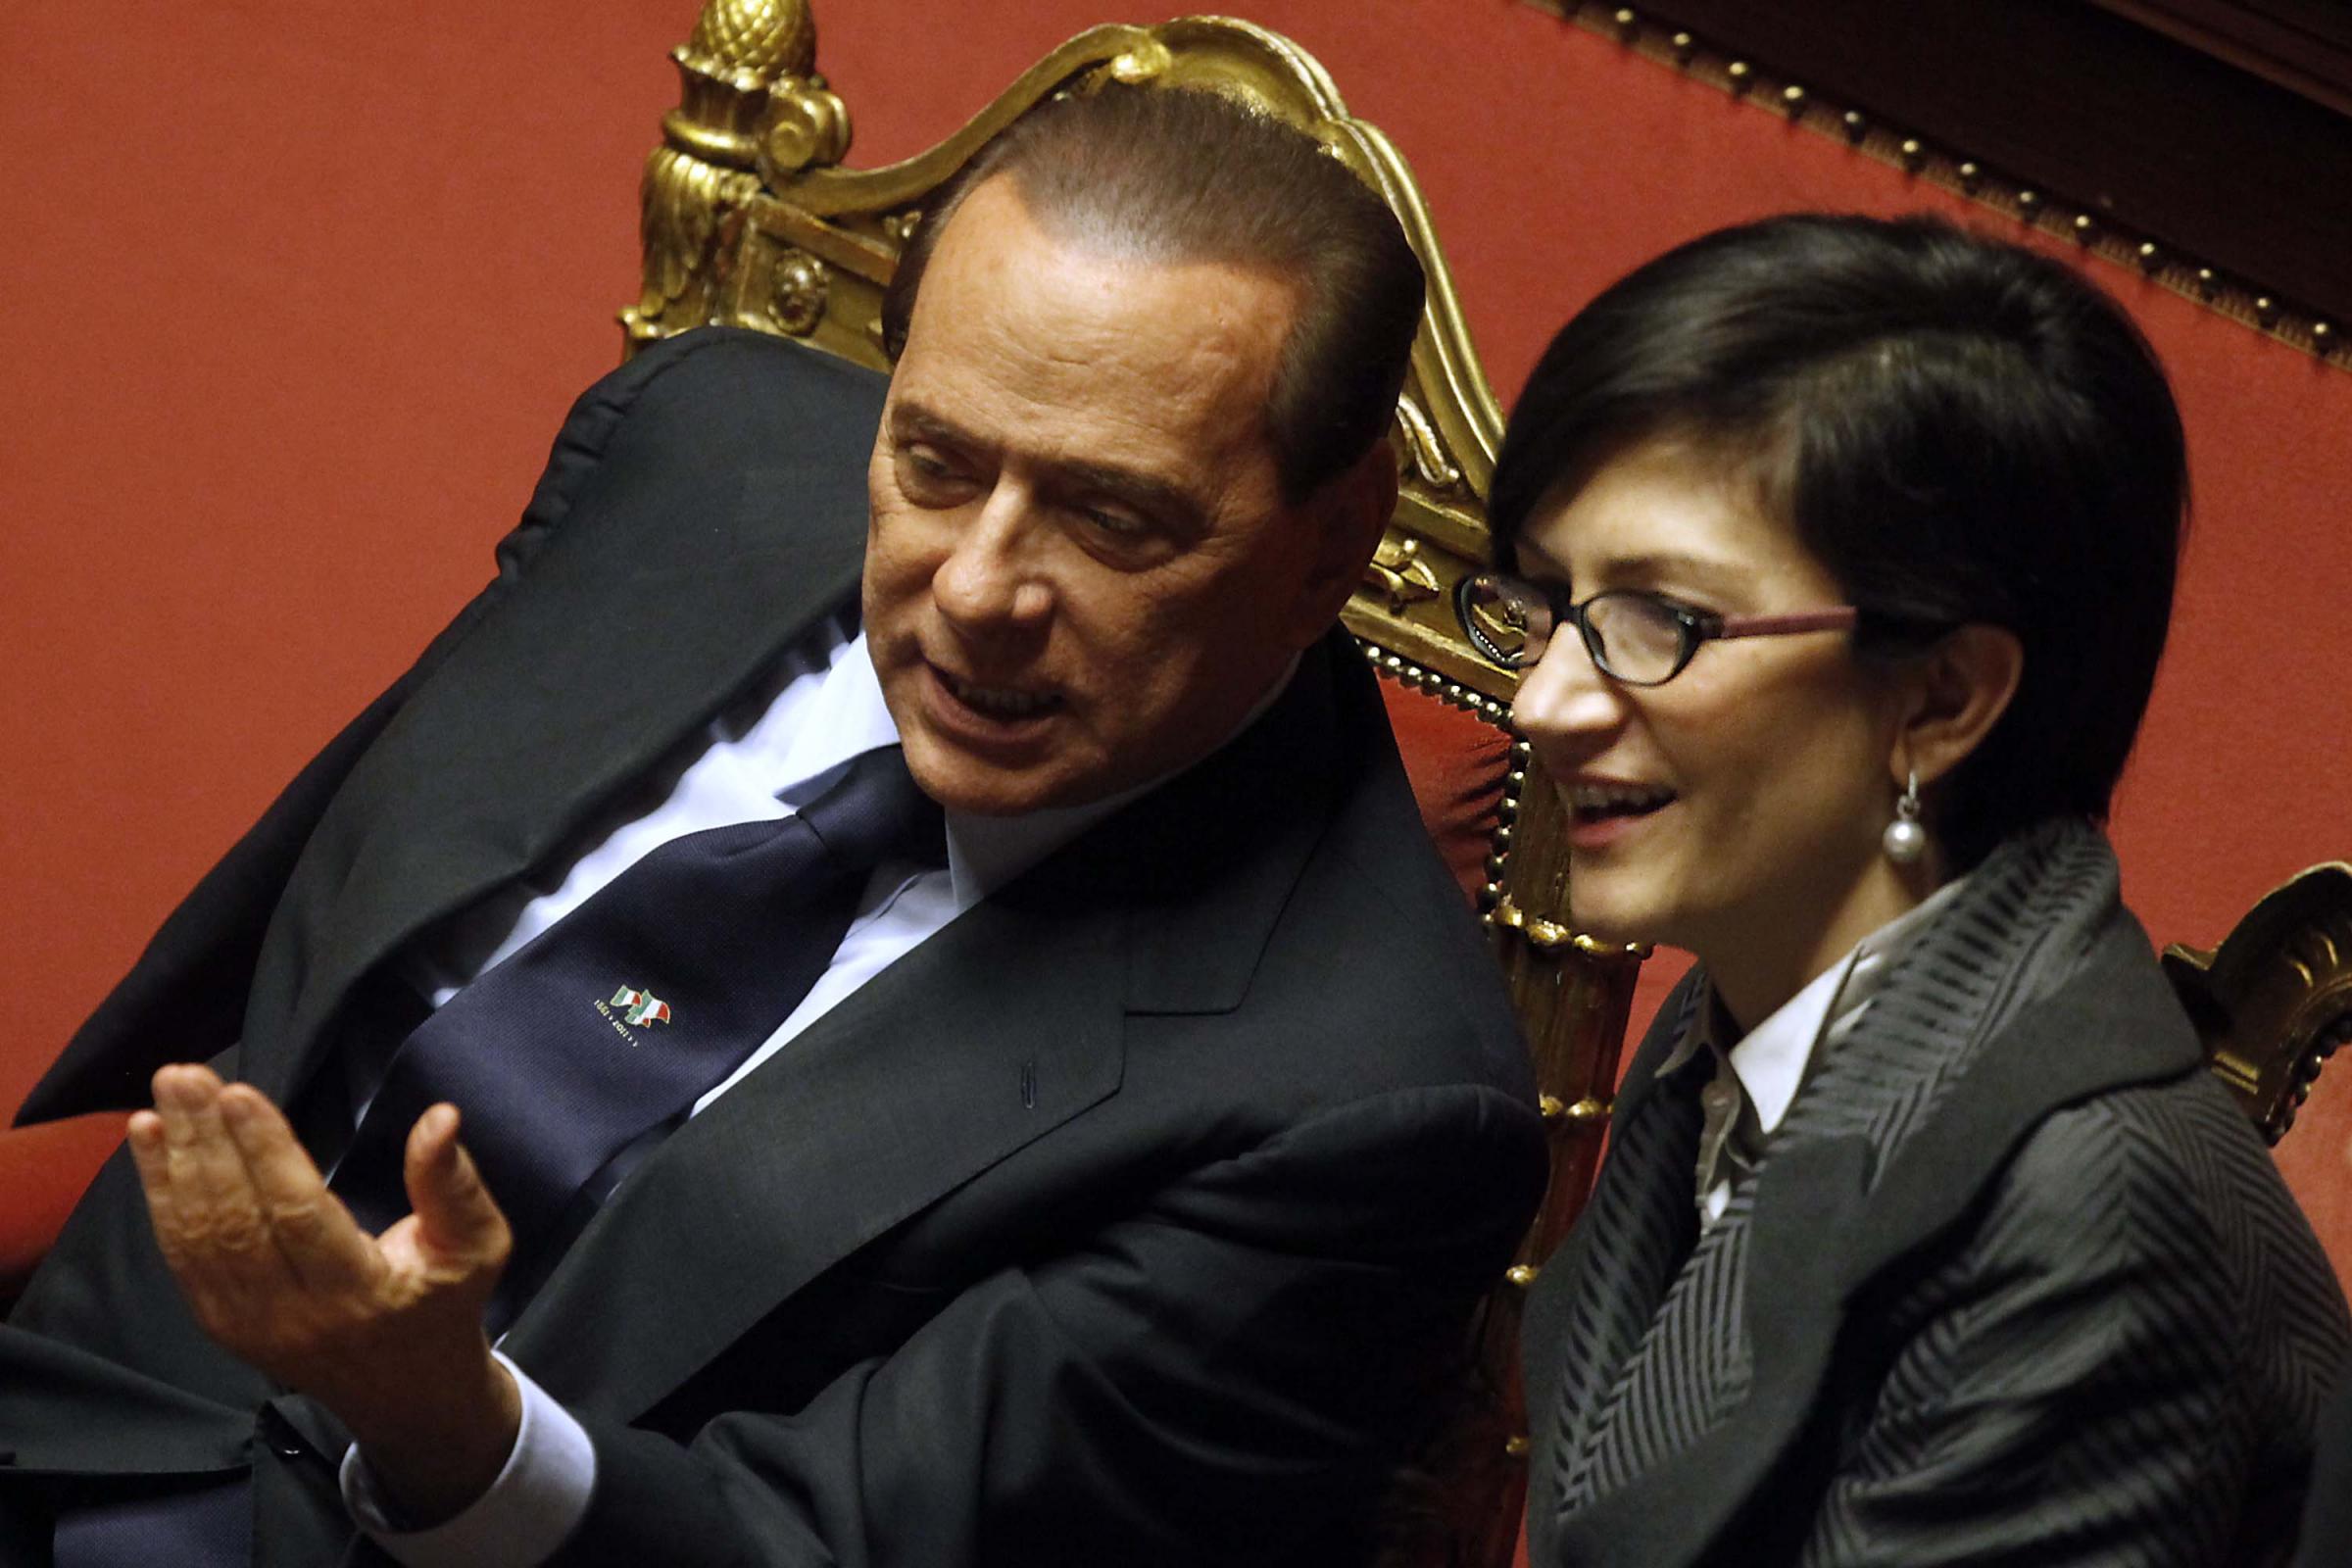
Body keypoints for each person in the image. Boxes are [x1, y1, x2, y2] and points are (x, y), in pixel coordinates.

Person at [0, 86, 1547, 1566]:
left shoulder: (1364, 1105)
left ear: (1331, 545)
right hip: (78, 1397)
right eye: (935, 462)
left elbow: (843, 1541)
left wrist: (452, 1432)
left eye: (1110, 519)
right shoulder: (705, 447)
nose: (976, 590)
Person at [1470, 214, 2352, 1566]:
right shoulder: (1748, 1001)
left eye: (1659, 620)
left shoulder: (2089, 1224)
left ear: (1942, 700)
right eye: (1549, 598)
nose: (1543, 701)